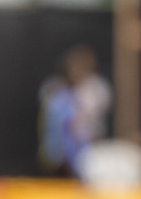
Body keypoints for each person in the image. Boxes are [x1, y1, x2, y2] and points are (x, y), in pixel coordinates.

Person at [38, 45, 113, 178]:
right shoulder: (56, 89)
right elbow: (49, 112)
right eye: (73, 66)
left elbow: (95, 115)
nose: (76, 70)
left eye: (81, 66)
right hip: (60, 148)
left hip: (89, 142)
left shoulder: (95, 88)